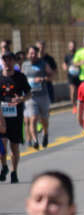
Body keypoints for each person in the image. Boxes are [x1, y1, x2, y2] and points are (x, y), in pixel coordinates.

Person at [0, 52, 31, 184]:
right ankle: (4, 167)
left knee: (14, 147)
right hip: (1, 116)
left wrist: (21, 99)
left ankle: (14, 172)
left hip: (16, 116)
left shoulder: (20, 77)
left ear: (14, 62)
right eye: (5, 60)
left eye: (10, 60)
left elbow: (29, 93)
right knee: (2, 146)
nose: (7, 63)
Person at [22, 46, 53, 150]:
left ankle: (45, 134)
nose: (33, 55)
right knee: (33, 118)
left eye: (34, 53)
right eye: (31, 53)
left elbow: (51, 75)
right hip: (30, 97)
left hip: (43, 95)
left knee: (44, 119)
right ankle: (35, 140)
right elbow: (21, 78)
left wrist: (43, 79)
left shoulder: (43, 63)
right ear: (27, 55)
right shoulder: (24, 65)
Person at [62, 40, 81, 114]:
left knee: (79, 92)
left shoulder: (78, 54)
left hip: (79, 76)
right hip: (71, 76)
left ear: (75, 46)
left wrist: (77, 64)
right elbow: (64, 63)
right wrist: (64, 67)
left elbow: (82, 62)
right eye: (70, 46)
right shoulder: (67, 56)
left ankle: (80, 105)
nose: (71, 47)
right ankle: (74, 106)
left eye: (72, 46)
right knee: (73, 91)